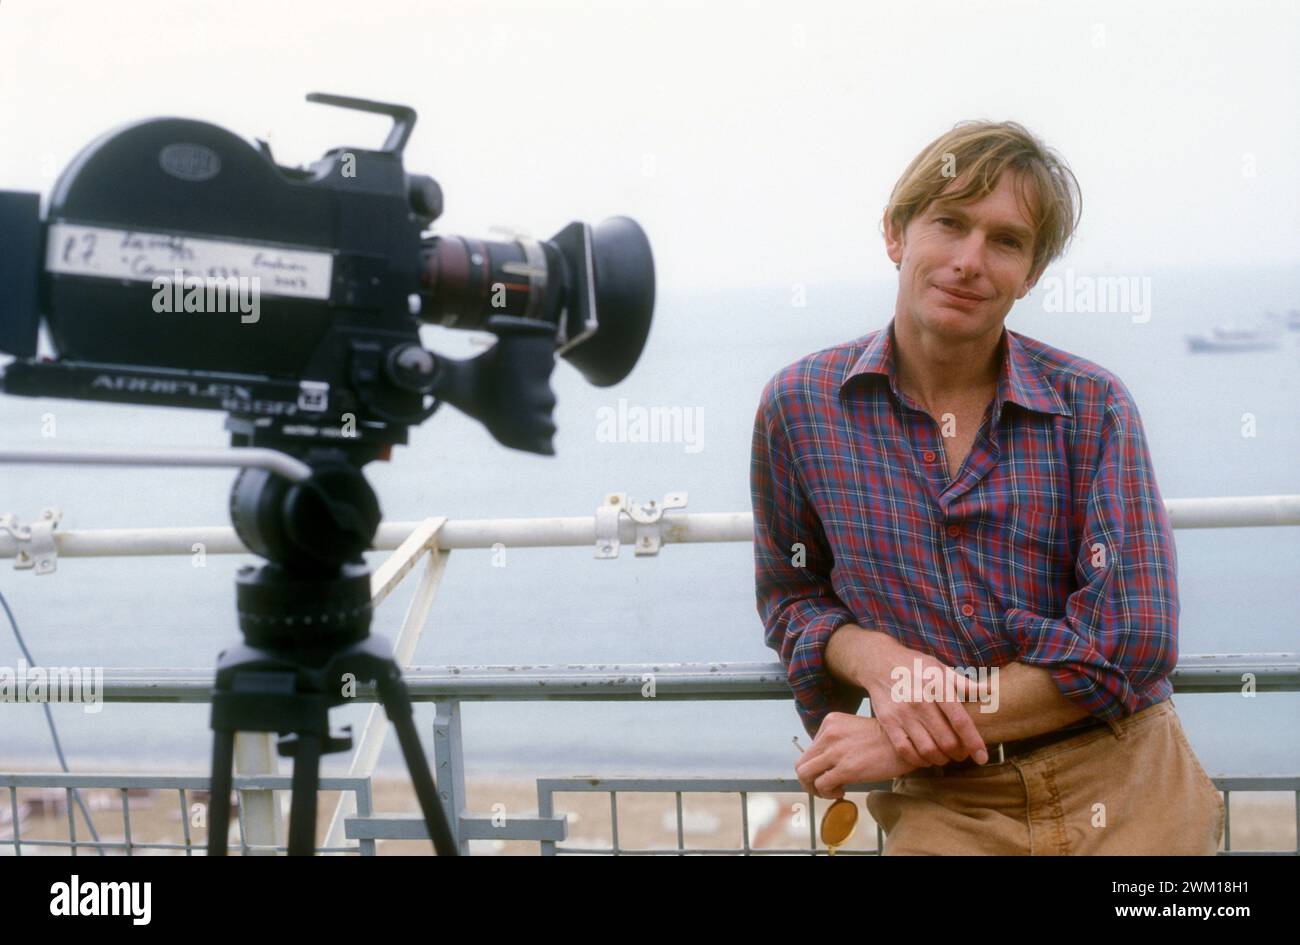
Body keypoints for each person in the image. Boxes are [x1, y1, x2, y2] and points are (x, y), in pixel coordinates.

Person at [749, 120, 1224, 855]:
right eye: (950, 223)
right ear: (895, 234)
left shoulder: (1092, 405)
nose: (970, 261)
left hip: (1129, 782)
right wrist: (874, 656)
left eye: (1006, 240)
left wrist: (901, 737)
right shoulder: (801, 408)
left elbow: (1134, 641)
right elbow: (792, 593)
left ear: (1031, 272)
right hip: (949, 805)